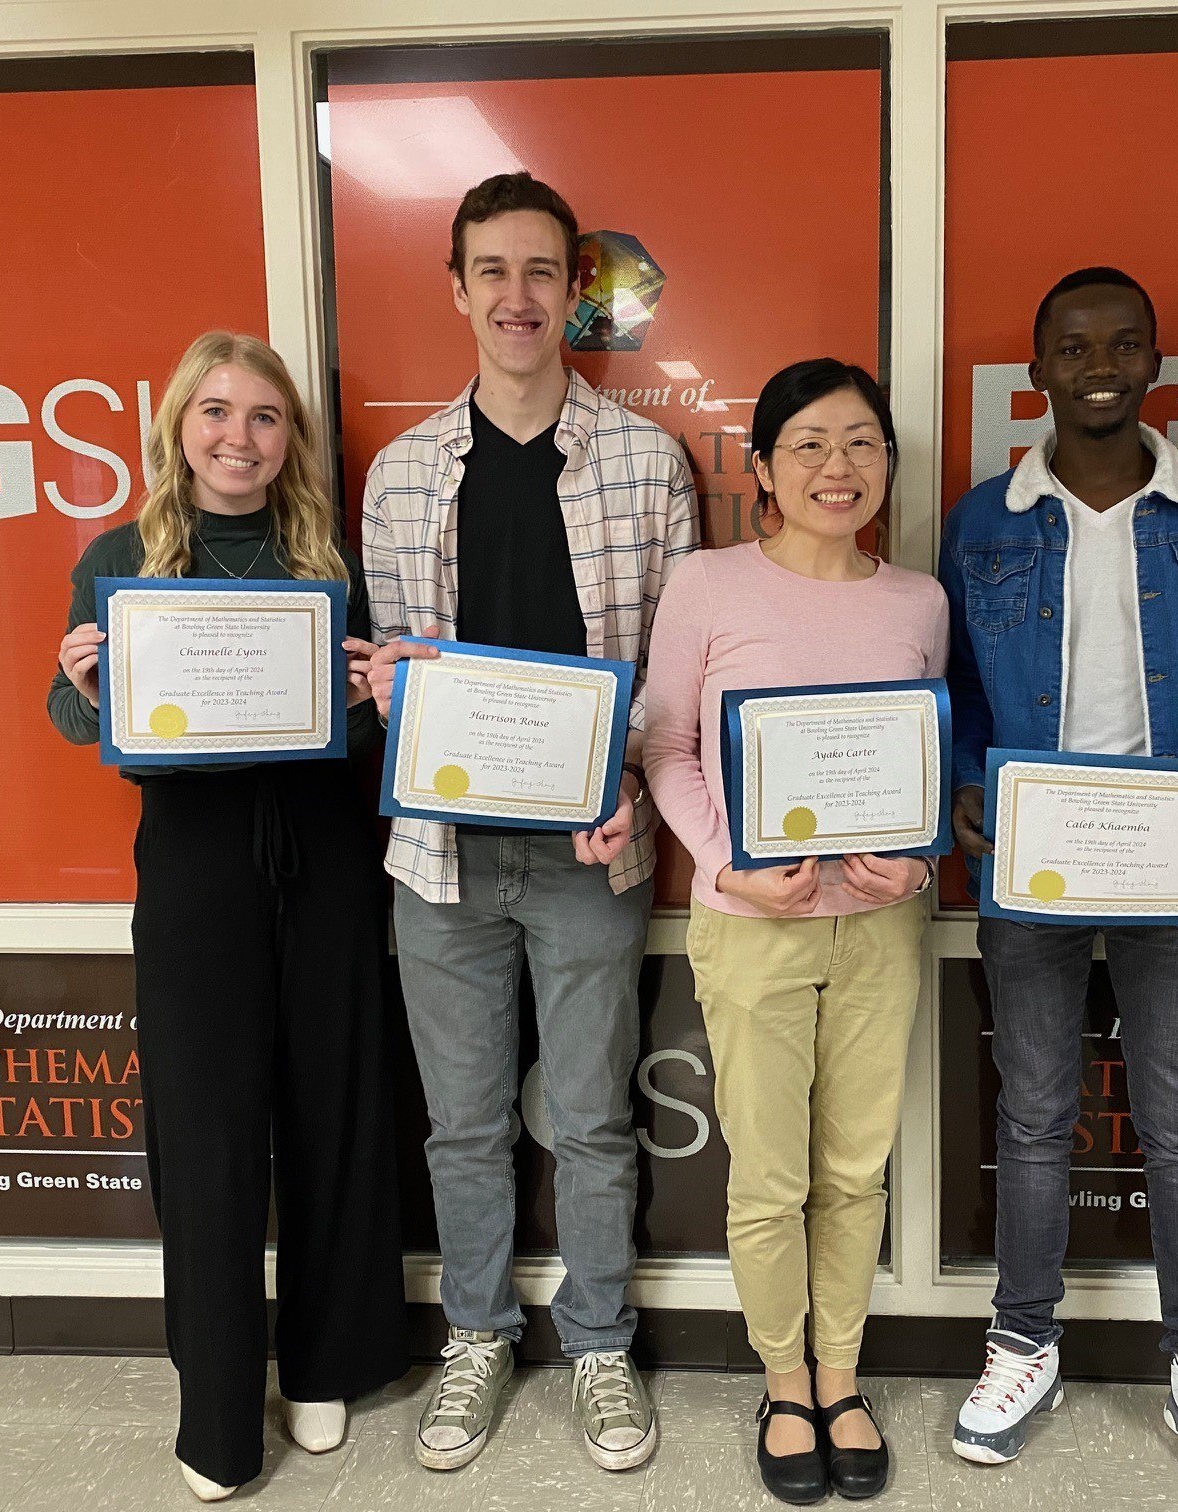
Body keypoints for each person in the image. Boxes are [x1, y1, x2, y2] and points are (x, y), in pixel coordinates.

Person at [354, 172, 699, 1474]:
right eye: (492, 270)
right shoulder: (401, 477)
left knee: (596, 1119)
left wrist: (631, 790)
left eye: (541, 271)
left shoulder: (645, 462)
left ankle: (602, 1345)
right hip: (438, 859)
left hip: (587, 854)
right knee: (461, 1125)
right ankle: (480, 1335)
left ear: (575, 293)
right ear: (458, 288)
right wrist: (391, 694)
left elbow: (676, 672)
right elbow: (397, 674)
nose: (517, 295)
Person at [938, 269, 1178, 1507]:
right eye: (1074, 346)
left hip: (1172, 858)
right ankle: (1023, 1343)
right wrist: (963, 786)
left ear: (1155, 365)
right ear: (1037, 368)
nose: (1101, 363)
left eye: (1124, 343)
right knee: (1033, 1119)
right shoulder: (981, 520)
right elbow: (965, 693)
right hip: (1029, 860)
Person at [48, 331, 406, 1503]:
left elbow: (364, 735)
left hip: (326, 859)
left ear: (290, 437)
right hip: (196, 870)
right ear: (177, 428)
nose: (239, 437)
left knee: (333, 1112)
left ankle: (324, 1361)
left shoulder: (330, 558)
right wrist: (88, 683)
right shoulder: (120, 557)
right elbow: (70, 717)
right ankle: (214, 1402)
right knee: (204, 1135)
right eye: (216, 413)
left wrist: (366, 700)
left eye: (264, 416)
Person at [645, 359, 946, 1504]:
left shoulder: (917, 600)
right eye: (810, 444)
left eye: (862, 442)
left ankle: (841, 1373)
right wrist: (724, 863)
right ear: (763, 468)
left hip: (880, 926)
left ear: (887, 466)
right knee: (769, 1175)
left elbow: (925, 764)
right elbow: (667, 748)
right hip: (751, 925)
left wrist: (917, 853)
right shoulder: (709, 585)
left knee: (855, 1168)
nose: (839, 466)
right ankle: (783, 1383)